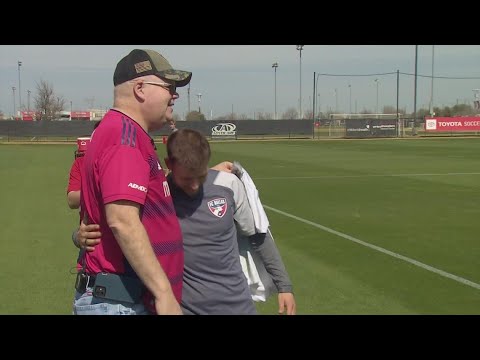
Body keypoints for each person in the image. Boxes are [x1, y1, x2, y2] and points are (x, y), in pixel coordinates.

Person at [77, 128, 296, 315]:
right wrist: (78, 237)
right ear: (169, 164)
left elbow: (258, 235)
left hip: (237, 306)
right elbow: (118, 229)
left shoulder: (228, 185)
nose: (194, 186)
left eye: (200, 177)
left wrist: (284, 286)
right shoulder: (155, 195)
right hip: (183, 309)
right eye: (186, 179)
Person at [73, 48, 193, 315]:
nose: (174, 95)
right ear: (140, 88)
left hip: (120, 300)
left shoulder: (124, 133)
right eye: (168, 86)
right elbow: (123, 221)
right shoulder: (124, 138)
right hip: (119, 303)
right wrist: (164, 294)